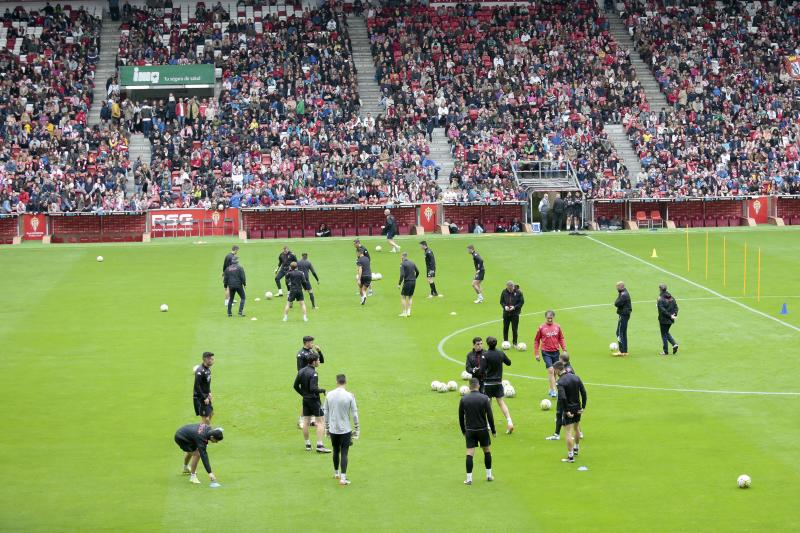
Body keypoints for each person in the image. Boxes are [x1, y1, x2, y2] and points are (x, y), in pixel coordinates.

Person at [323, 374, 360, 486]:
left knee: (335, 450)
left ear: (336, 381)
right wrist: (357, 429)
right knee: (344, 452)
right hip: (345, 429)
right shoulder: (350, 396)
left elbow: (325, 412)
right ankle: (343, 478)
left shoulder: (329, 395)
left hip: (333, 429)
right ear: (346, 381)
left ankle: (336, 473)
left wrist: (327, 427)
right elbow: (354, 414)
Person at [458, 378, 496, 484]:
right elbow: (490, 415)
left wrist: (463, 430)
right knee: (487, 451)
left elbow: (461, 417)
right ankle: (489, 476)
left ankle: (469, 479)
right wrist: (493, 430)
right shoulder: (484, 398)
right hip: (483, 430)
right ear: (478, 386)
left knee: (470, 454)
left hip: (470, 430)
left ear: (469, 387)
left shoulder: (464, 399)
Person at [293, 353, 331, 453]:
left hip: (305, 400)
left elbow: (295, 386)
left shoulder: (301, 371)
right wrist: (323, 390)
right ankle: (320, 445)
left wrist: (304, 394)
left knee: (306, 421)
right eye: (318, 360)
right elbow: (313, 388)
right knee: (321, 422)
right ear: (313, 362)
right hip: (314, 401)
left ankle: (308, 445)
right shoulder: (314, 373)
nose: (319, 361)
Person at [554, 361, 587, 463]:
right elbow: (583, 392)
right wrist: (583, 407)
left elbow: (563, 398)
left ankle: (570, 457)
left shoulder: (560, 382)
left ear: (558, 370)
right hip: (577, 408)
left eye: (555, 371)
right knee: (576, 428)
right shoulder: (576, 377)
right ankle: (576, 449)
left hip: (568, 409)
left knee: (568, 432)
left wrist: (567, 410)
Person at [482, 337, 514, 434]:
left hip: (488, 383)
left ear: (487, 344)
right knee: (501, 403)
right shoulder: (500, 353)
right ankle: (509, 421)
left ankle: (488, 425)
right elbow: (509, 363)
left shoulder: (485, 355)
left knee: (488, 405)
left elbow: (482, 369)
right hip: (498, 383)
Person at [534, 310, 567, 397]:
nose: (549, 320)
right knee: (551, 370)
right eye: (548, 318)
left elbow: (561, 338)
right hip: (546, 352)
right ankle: (553, 390)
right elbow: (536, 340)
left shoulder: (557, 327)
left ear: (553, 317)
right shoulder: (541, 328)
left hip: (556, 352)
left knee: (555, 372)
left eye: (551, 318)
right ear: (545, 317)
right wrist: (536, 353)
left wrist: (564, 349)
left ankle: (550, 388)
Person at [546, 352, 576, 441]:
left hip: (564, 395)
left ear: (561, 360)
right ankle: (578, 432)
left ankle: (557, 434)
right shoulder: (569, 368)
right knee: (570, 413)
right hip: (571, 395)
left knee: (560, 414)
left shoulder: (565, 370)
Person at [296, 336, 325, 428]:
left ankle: (312, 420)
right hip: (305, 379)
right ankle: (301, 420)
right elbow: (300, 369)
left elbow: (322, 361)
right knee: (307, 399)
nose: (312, 344)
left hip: (313, 378)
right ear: (306, 343)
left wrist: (319, 351)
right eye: (311, 342)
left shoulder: (312, 352)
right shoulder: (301, 354)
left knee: (314, 398)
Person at [500, 281, 524, 347]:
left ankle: (515, 343)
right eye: (508, 289)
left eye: (511, 288)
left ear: (513, 287)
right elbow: (501, 301)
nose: (510, 290)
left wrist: (514, 307)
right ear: (507, 287)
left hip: (515, 314)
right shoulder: (504, 292)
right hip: (506, 313)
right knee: (505, 328)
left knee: (514, 328)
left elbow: (521, 302)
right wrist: (505, 306)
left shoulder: (518, 292)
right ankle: (505, 342)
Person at [192, 351, 214, 425]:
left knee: (211, 413)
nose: (212, 359)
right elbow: (197, 386)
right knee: (206, 418)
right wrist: (204, 398)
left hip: (206, 395)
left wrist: (209, 392)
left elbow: (206, 384)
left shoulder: (208, 369)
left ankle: (203, 431)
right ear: (205, 359)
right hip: (200, 398)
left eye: (212, 358)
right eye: (210, 358)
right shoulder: (200, 371)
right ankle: (206, 433)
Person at [657, 283, 679, 355]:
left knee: (664, 334)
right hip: (671, 319)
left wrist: (670, 316)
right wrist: (674, 315)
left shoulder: (660, 298)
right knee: (666, 332)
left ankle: (665, 351)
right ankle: (674, 344)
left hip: (664, 319)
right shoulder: (672, 297)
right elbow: (676, 307)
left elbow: (662, 310)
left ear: (660, 289)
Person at [397, 251, 419, 317]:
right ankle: (409, 312)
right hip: (413, 281)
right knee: (410, 297)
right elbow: (418, 272)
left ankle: (404, 312)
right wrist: (415, 278)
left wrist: (399, 284)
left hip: (407, 282)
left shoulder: (402, 264)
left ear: (402, 256)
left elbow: (402, 275)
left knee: (403, 296)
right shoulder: (412, 263)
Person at [614, 281, 632, 356]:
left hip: (623, 315)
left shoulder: (623, 295)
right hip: (625, 314)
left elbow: (616, 303)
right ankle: (625, 350)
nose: (616, 289)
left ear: (620, 287)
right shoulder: (624, 292)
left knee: (619, 332)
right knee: (623, 332)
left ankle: (621, 351)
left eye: (617, 287)